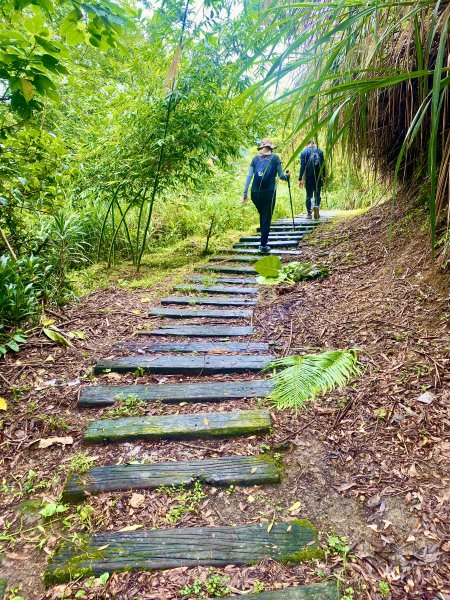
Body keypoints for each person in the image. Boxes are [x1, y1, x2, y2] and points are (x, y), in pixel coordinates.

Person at [242, 138, 290, 253]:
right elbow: (281, 176)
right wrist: (287, 176)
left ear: (261, 148)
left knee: (263, 215)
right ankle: (263, 245)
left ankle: (263, 241)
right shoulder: (275, 158)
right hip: (269, 192)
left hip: (255, 193)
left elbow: (249, 176)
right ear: (271, 148)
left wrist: (245, 192)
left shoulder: (255, 159)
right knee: (266, 218)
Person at [298, 140, 326, 219]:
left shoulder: (304, 152)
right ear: (314, 144)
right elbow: (323, 165)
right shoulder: (320, 151)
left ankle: (309, 214)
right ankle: (316, 206)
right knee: (317, 194)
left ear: (307, 145)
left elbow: (302, 167)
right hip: (317, 177)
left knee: (309, 195)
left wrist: (300, 179)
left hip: (308, 177)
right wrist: (324, 176)